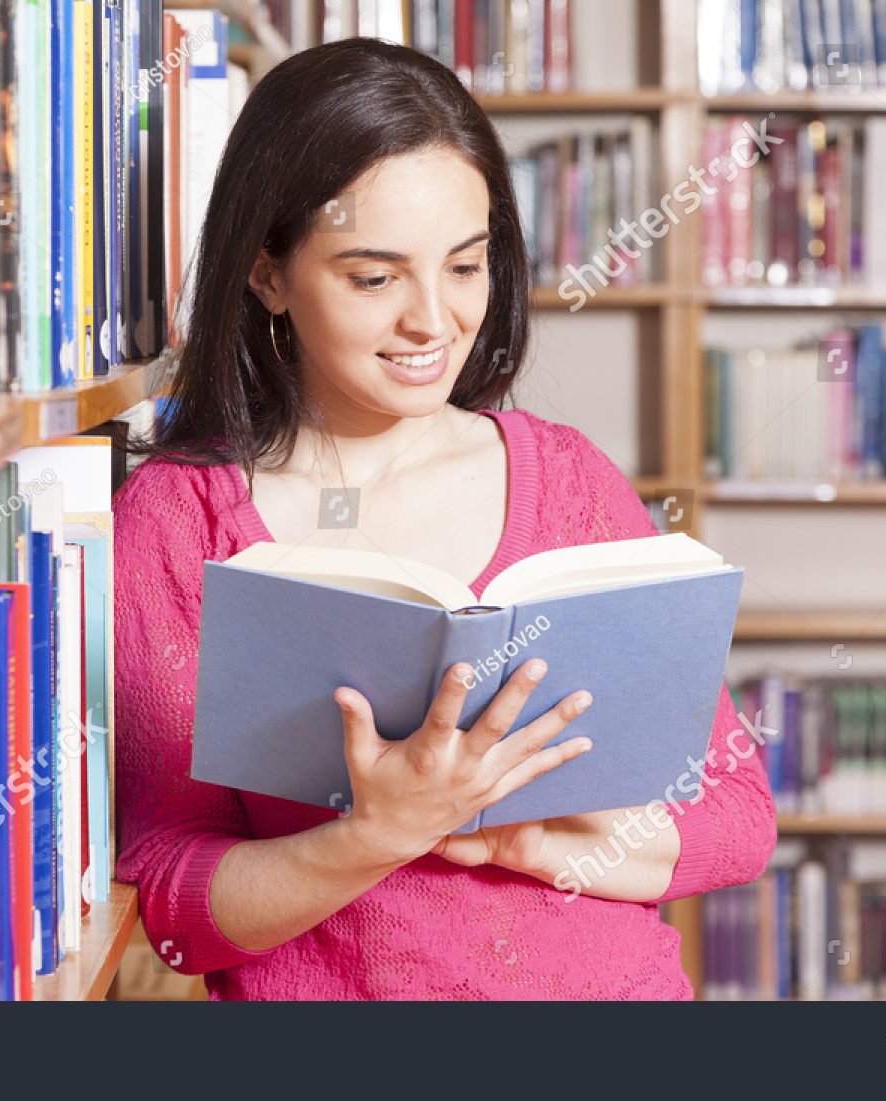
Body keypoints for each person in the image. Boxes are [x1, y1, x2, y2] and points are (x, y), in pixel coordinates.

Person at [112, 38, 775, 1000]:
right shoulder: (175, 526)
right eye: (375, 278)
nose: (435, 321)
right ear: (267, 276)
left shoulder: (570, 480)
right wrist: (379, 833)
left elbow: (738, 818)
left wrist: (538, 840)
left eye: (465, 267)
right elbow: (173, 908)